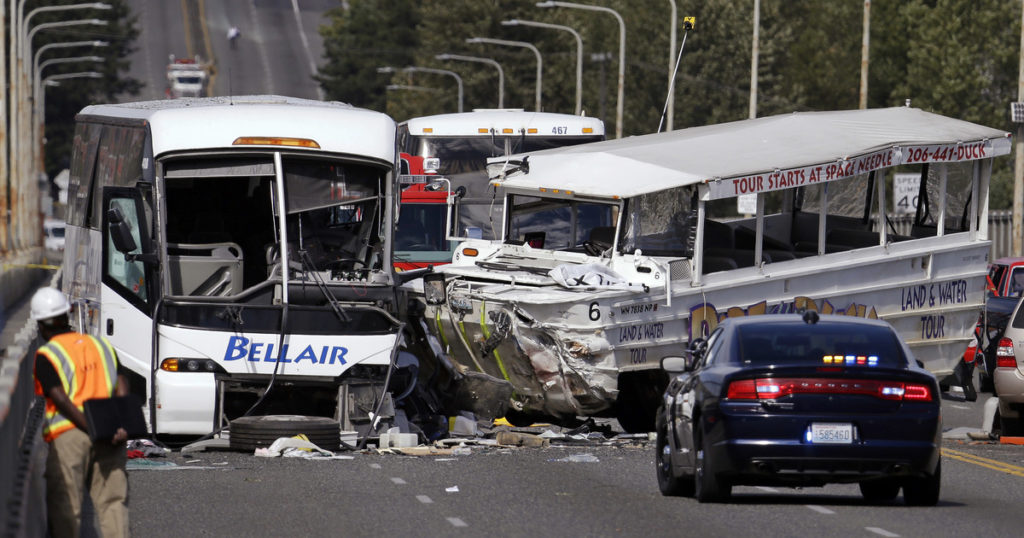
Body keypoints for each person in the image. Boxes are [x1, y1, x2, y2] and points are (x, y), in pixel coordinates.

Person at [31, 287, 130, 538]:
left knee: (66, 506)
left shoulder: (47, 354)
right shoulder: (101, 344)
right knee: (113, 504)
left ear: (41, 326)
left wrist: (91, 426)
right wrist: (119, 422)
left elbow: (60, 398)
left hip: (71, 433)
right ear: (69, 314)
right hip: (110, 429)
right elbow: (121, 383)